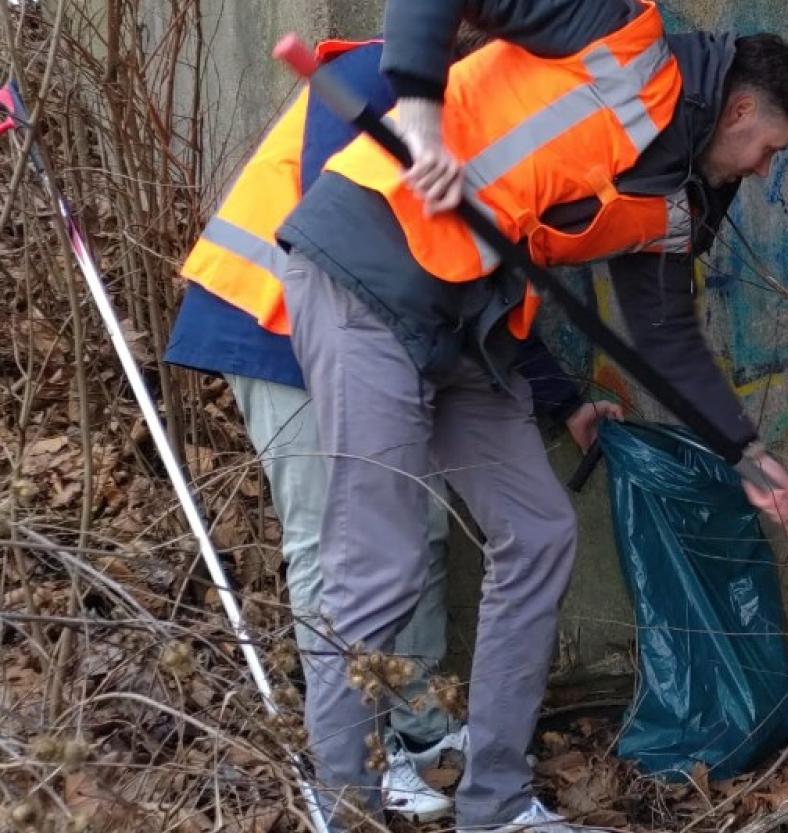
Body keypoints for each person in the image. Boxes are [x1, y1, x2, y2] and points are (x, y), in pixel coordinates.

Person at [273, 0, 788, 828]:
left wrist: (746, 452)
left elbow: (667, 337)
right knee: (379, 567)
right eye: (768, 150)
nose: (760, 169)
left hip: (474, 323)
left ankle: (494, 803)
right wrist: (420, 121)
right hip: (371, 275)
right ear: (742, 111)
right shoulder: (620, 33)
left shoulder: (678, 198)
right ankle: (340, 803)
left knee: (539, 533)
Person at [161, 37, 621, 822]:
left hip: (377, 335)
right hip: (271, 319)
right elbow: (365, 257)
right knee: (336, 546)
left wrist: (559, 397)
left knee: (421, 532)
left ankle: (414, 734)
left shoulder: (479, 115)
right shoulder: (377, 77)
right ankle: (339, 776)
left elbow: (466, 278)